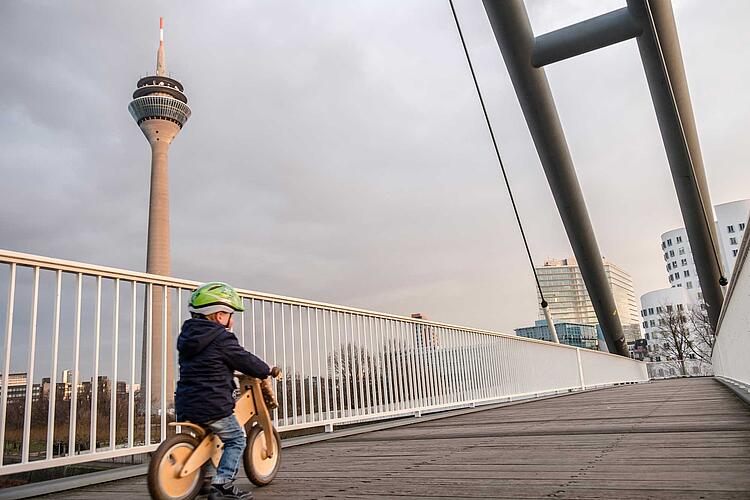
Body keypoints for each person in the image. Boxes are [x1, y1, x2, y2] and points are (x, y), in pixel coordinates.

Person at [175, 282, 278, 500]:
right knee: (236, 439)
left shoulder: (188, 338)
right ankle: (223, 485)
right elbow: (244, 359)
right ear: (220, 315)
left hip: (186, 402)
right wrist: (265, 370)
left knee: (210, 437)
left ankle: (201, 479)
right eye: (231, 314)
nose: (232, 320)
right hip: (212, 403)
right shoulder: (221, 338)